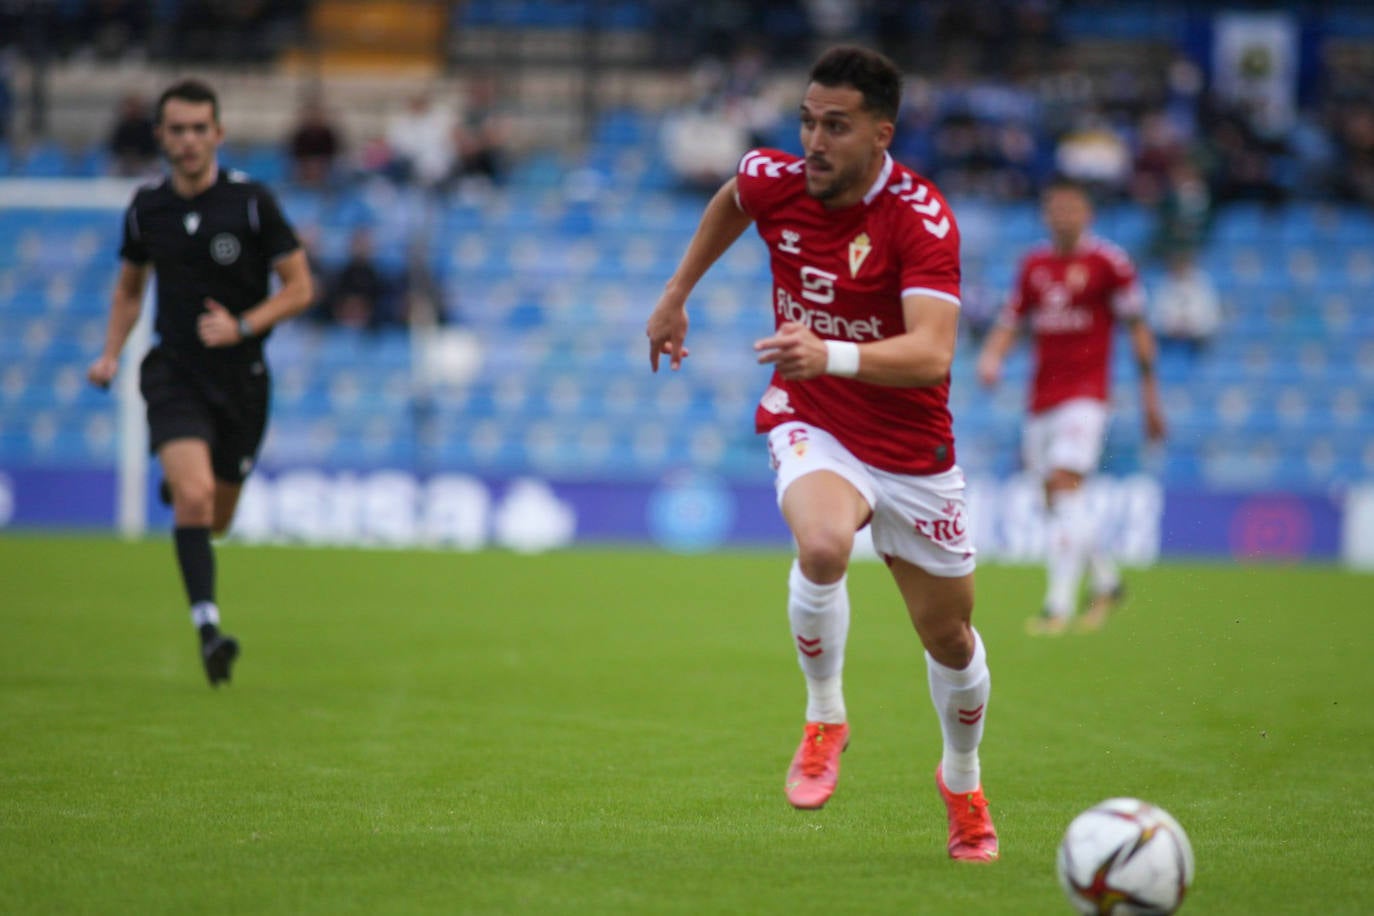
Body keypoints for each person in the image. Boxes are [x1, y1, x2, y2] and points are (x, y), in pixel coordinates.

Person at [646, 46, 998, 862]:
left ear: (881, 134)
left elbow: (933, 354)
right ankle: (825, 718)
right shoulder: (777, 178)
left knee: (949, 639)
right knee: (823, 545)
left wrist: (830, 353)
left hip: (912, 451)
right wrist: (676, 293)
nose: (814, 140)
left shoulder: (920, 218)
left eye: (835, 126)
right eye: (807, 121)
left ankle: (962, 781)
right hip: (815, 419)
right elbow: (733, 199)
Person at [86, 79, 313, 686]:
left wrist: (244, 325)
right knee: (194, 497)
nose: (187, 140)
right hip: (175, 373)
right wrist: (109, 355)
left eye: (198, 129)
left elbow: (300, 288)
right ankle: (209, 630)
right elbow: (130, 290)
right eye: (177, 130)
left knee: (215, 516)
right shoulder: (147, 209)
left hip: (243, 381)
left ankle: (184, 484)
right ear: (160, 136)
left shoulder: (251, 204)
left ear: (218, 134)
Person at [976, 177, 1166, 635]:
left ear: (1088, 214)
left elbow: (1138, 327)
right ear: (1045, 215)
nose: (1062, 216)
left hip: (1086, 396)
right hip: (1040, 398)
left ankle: (1056, 607)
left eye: (1071, 208)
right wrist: (992, 356)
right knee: (1056, 498)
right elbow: (1012, 319)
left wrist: (1150, 397)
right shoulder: (1033, 265)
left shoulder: (1109, 264)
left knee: (1063, 484)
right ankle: (1107, 581)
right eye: (1055, 208)